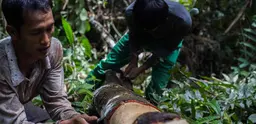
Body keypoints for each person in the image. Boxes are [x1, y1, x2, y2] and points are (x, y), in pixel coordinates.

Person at [0, 0, 97, 123]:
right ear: (13, 32)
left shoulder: (53, 50)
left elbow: (56, 100)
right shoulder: (2, 65)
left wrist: (73, 118)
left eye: (50, 28)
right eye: (36, 32)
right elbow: (14, 121)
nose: (46, 40)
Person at [86, 0, 192, 103]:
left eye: (153, 29)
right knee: (108, 65)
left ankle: (152, 107)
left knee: (158, 87)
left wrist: (141, 68)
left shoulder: (182, 22)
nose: (151, 32)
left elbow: (165, 51)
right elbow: (133, 35)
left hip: (168, 44)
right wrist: (133, 60)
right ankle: (83, 94)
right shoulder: (131, 12)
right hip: (140, 36)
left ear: (165, 19)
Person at [92, 70, 188, 124]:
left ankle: (114, 73)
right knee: (112, 81)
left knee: (117, 85)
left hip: (122, 105)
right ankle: (111, 72)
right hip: (118, 101)